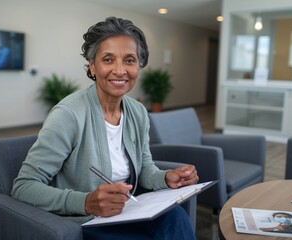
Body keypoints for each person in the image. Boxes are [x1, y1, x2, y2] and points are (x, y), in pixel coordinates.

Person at [11, 17, 199, 240]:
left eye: (129, 60)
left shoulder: (138, 112)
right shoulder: (68, 115)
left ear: (138, 65)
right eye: (108, 59)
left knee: (176, 217)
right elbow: (23, 186)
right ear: (92, 65)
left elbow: (145, 167)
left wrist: (166, 177)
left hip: (130, 209)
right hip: (90, 220)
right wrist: (86, 202)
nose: (120, 71)